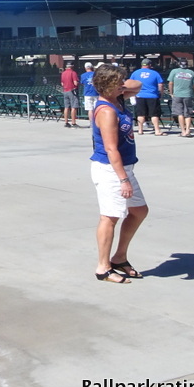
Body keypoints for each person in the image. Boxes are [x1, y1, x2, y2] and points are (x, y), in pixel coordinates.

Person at [90, 64, 148, 284]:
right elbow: (111, 148)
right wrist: (123, 179)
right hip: (110, 170)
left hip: (125, 167)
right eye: (118, 82)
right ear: (108, 85)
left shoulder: (118, 98)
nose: (123, 84)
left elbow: (138, 85)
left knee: (139, 211)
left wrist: (121, 86)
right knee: (110, 217)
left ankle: (119, 257)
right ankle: (103, 267)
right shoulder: (106, 110)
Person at [130, 59, 166, 136]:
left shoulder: (135, 73)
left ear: (142, 65)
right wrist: (161, 93)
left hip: (139, 95)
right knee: (154, 114)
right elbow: (160, 85)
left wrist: (133, 93)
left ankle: (140, 130)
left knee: (140, 114)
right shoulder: (155, 73)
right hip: (152, 95)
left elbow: (131, 83)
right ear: (150, 65)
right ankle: (157, 130)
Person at [168, 58, 194, 137]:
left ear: (179, 64)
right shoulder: (191, 72)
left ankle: (183, 131)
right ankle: (188, 131)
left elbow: (170, 83)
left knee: (180, 114)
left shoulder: (174, 71)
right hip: (188, 95)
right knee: (188, 114)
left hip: (177, 95)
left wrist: (171, 93)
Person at [60, 62, 81, 127]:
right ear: (72, 66)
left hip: (65, 90)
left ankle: (66, 122)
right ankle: (73, 122)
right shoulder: (73, 73)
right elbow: (75, 83)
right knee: (73, 107)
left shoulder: (63, 73)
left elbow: (62, 84)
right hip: (72, 91)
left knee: (66, 107)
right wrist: (79, 83)